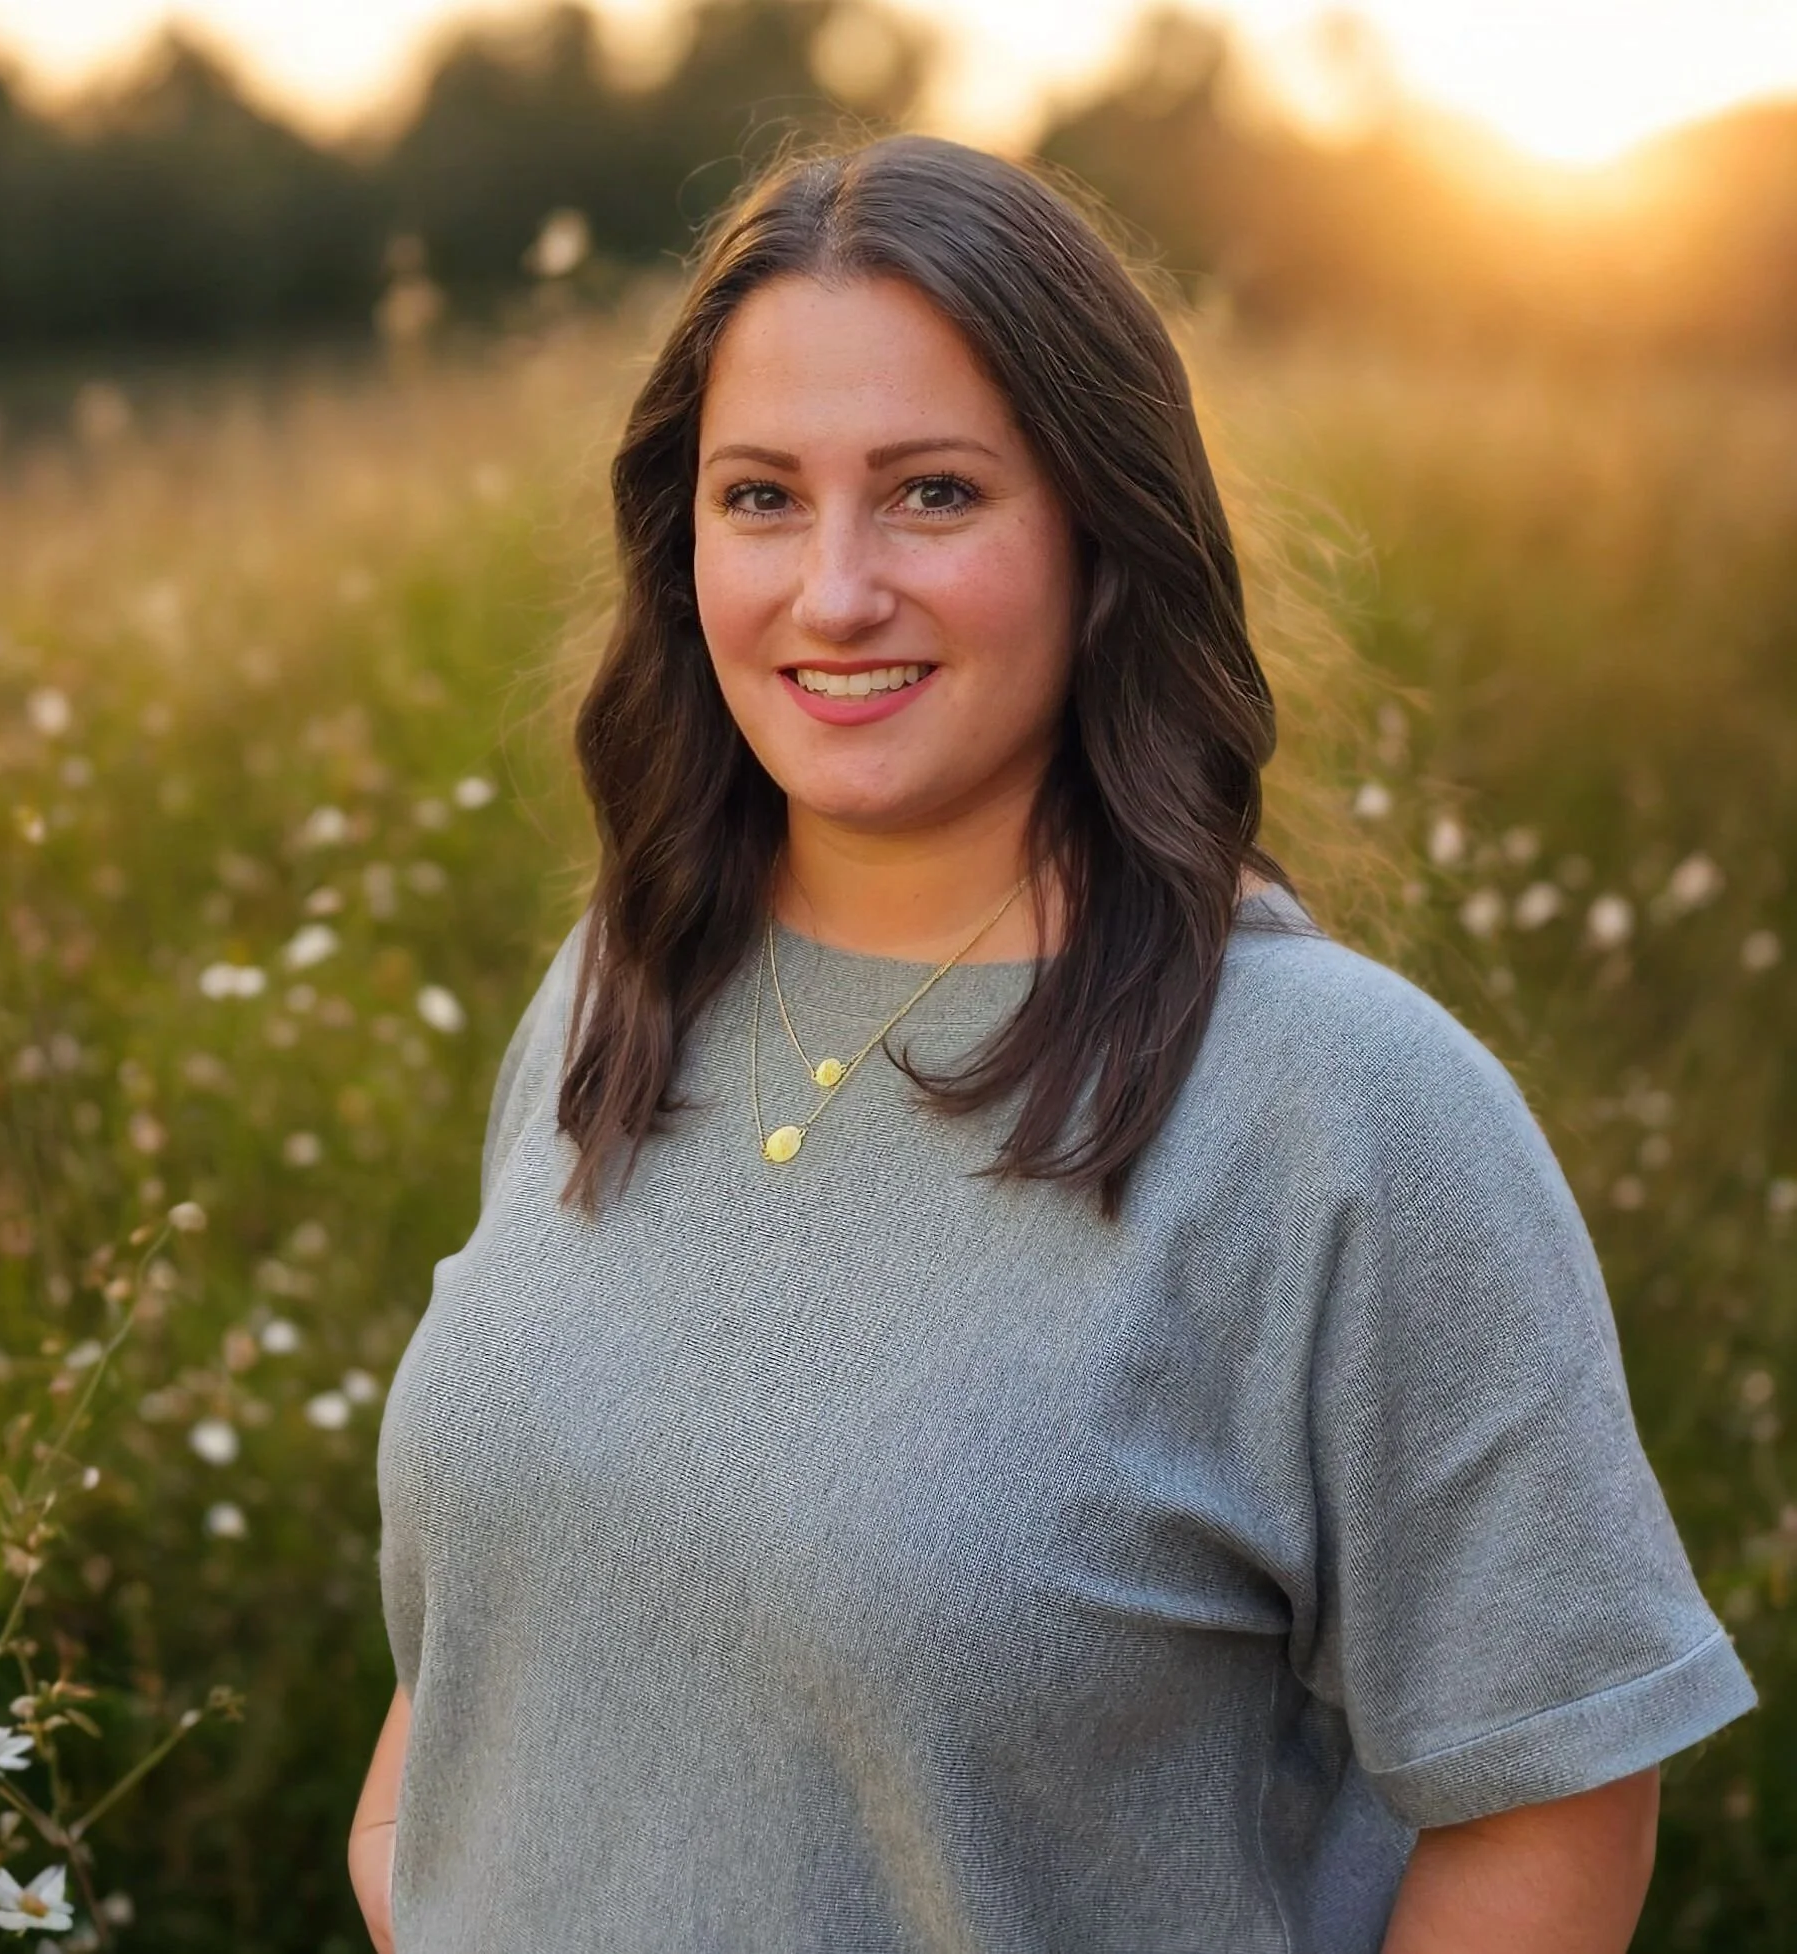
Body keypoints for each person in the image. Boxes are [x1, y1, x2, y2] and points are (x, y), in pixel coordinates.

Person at [350, 133, 1756, 1953]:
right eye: (759, 495)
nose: (832, 591)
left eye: (933, 494)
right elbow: (512, 1616)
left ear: (1104, 534)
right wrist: (414, 1871)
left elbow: (1550, 1803)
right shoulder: (616, 989)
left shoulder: (1345, 1110)